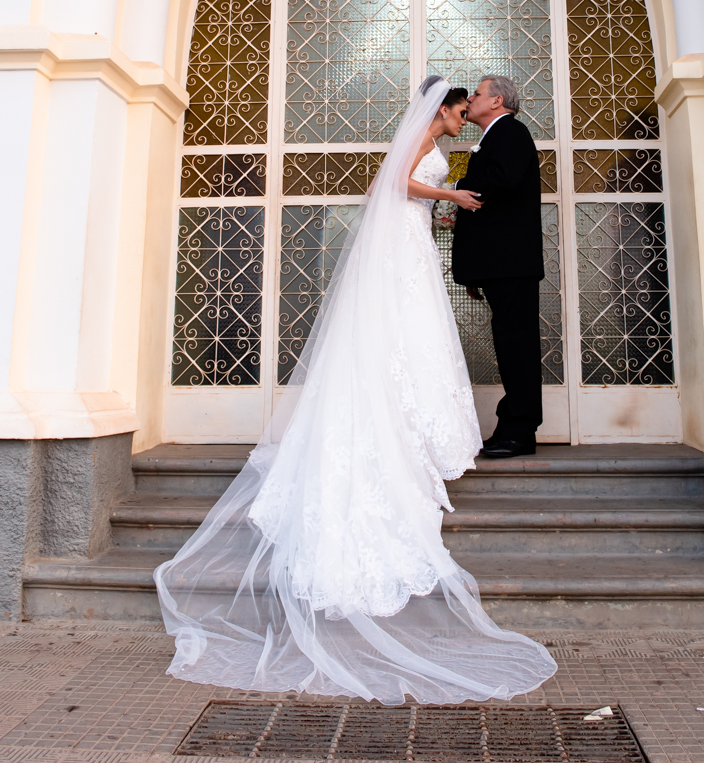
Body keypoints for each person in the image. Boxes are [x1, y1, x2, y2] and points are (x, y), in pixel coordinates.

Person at [155, 77, 555, 704]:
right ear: (447, 109)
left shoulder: (504, 136)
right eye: (462, 103)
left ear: (491, 103)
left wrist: (448, 203)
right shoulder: (437, 137)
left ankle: (499, 424)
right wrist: (451, 195)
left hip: (424, 242)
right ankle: (427, 418)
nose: (467, 110)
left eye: (475, 99)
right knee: (403, 331)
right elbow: (398, 184)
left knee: (426, 334)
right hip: (408, 240)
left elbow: (484, 190)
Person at [452, 76, 543, 458]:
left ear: (498, 100)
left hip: (511, 263)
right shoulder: (496, 135)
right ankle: (513, 426)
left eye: (476, 93)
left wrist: (456, 187)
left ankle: (520, 431)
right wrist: (477, 270)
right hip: (500, 264)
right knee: (510, 342)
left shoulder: (511, 131)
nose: (470, 99)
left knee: (517, 344)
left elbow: (500, 181)